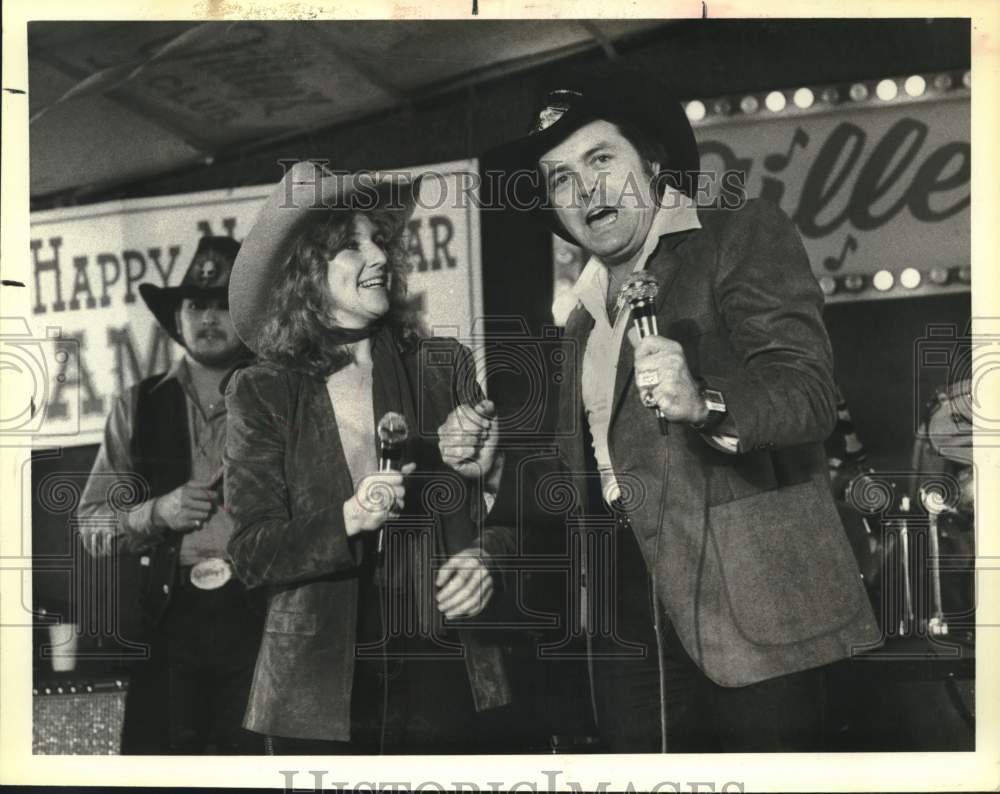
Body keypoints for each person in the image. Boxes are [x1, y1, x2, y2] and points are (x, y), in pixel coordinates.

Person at [492, 75, 882, 752]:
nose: (584, 191)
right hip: (622, 605)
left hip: (752, 597)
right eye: (559, 178)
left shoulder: (737, 233)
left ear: (651, 163)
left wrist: (707, 401)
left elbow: (809, 395)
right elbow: (580, 469)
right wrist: (491, 468)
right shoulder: (577, 316)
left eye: (600, 160)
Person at [223, 161, 511, 754]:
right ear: (303, 272)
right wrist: (348, 517)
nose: (378, 256)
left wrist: (490, 544)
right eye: (351, 248)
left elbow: (519, 511)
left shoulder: (443, 364)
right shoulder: (263, 389)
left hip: (443, 662)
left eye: (378, 240)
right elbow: (251, 552)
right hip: (319, 687)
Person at [76, 236, 264, 754]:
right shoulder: (136, 405)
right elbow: (92, 523)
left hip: (262, 617)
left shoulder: (282, 399)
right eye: (196, 304)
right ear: (176, 318)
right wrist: (155, 513)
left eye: (225, 304)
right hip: (167, 619)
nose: (209, 317)